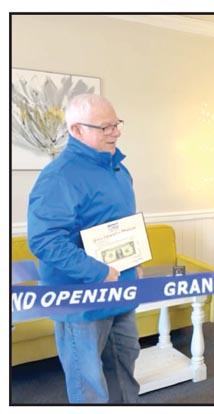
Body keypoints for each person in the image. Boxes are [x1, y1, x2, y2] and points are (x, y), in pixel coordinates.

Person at [27, 94, 142, 403]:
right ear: (76, 130)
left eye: (116, 124)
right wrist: (99, 272)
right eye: (105, 127)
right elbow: (44, 240)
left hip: (120, 289)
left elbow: (120, 223)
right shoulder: (58, 176)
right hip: (81, 299)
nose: (116, 132)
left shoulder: (119, 169)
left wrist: (134, 262)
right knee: (88, 383)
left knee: (125, 367)